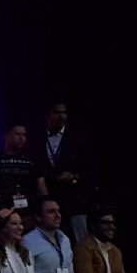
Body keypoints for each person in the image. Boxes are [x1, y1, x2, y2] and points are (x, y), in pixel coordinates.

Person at [38, 101, 97, 242]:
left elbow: (92, 169)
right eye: (57, 112)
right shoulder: (38, 138)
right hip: (52, 198)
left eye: (64, 112)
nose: (61, 116)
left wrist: (75, 177)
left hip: (75, 200)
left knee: (81, 240)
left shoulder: (78, 136)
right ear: (47, 115)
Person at [0, 123, 47, 218]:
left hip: (27, 212)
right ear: (6, 135)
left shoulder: (32, 158)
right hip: (1, 211)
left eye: (24, 135)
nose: (22, 138)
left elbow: (42, 190)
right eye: (17, 134)